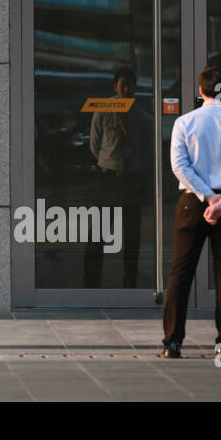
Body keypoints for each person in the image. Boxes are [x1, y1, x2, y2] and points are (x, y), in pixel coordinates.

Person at [161, 64, 221, 359]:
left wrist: (206, 197)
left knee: (181, 271)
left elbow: (180, 166)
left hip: (193, 202)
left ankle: (173, 342)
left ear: (199, 92)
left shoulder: (185, 123)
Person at [86, 66, 148, 288]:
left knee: (132, 231)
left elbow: (146, 147)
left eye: (130, 84)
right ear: (115, 86)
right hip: (108, 177)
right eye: (122, 84)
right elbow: (94, 144)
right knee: (100, 229)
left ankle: (130, 276)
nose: (126, 88)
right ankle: (92, 277)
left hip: (132, 179)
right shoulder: (103, 109)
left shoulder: (141, 115)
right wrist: (109, 161)